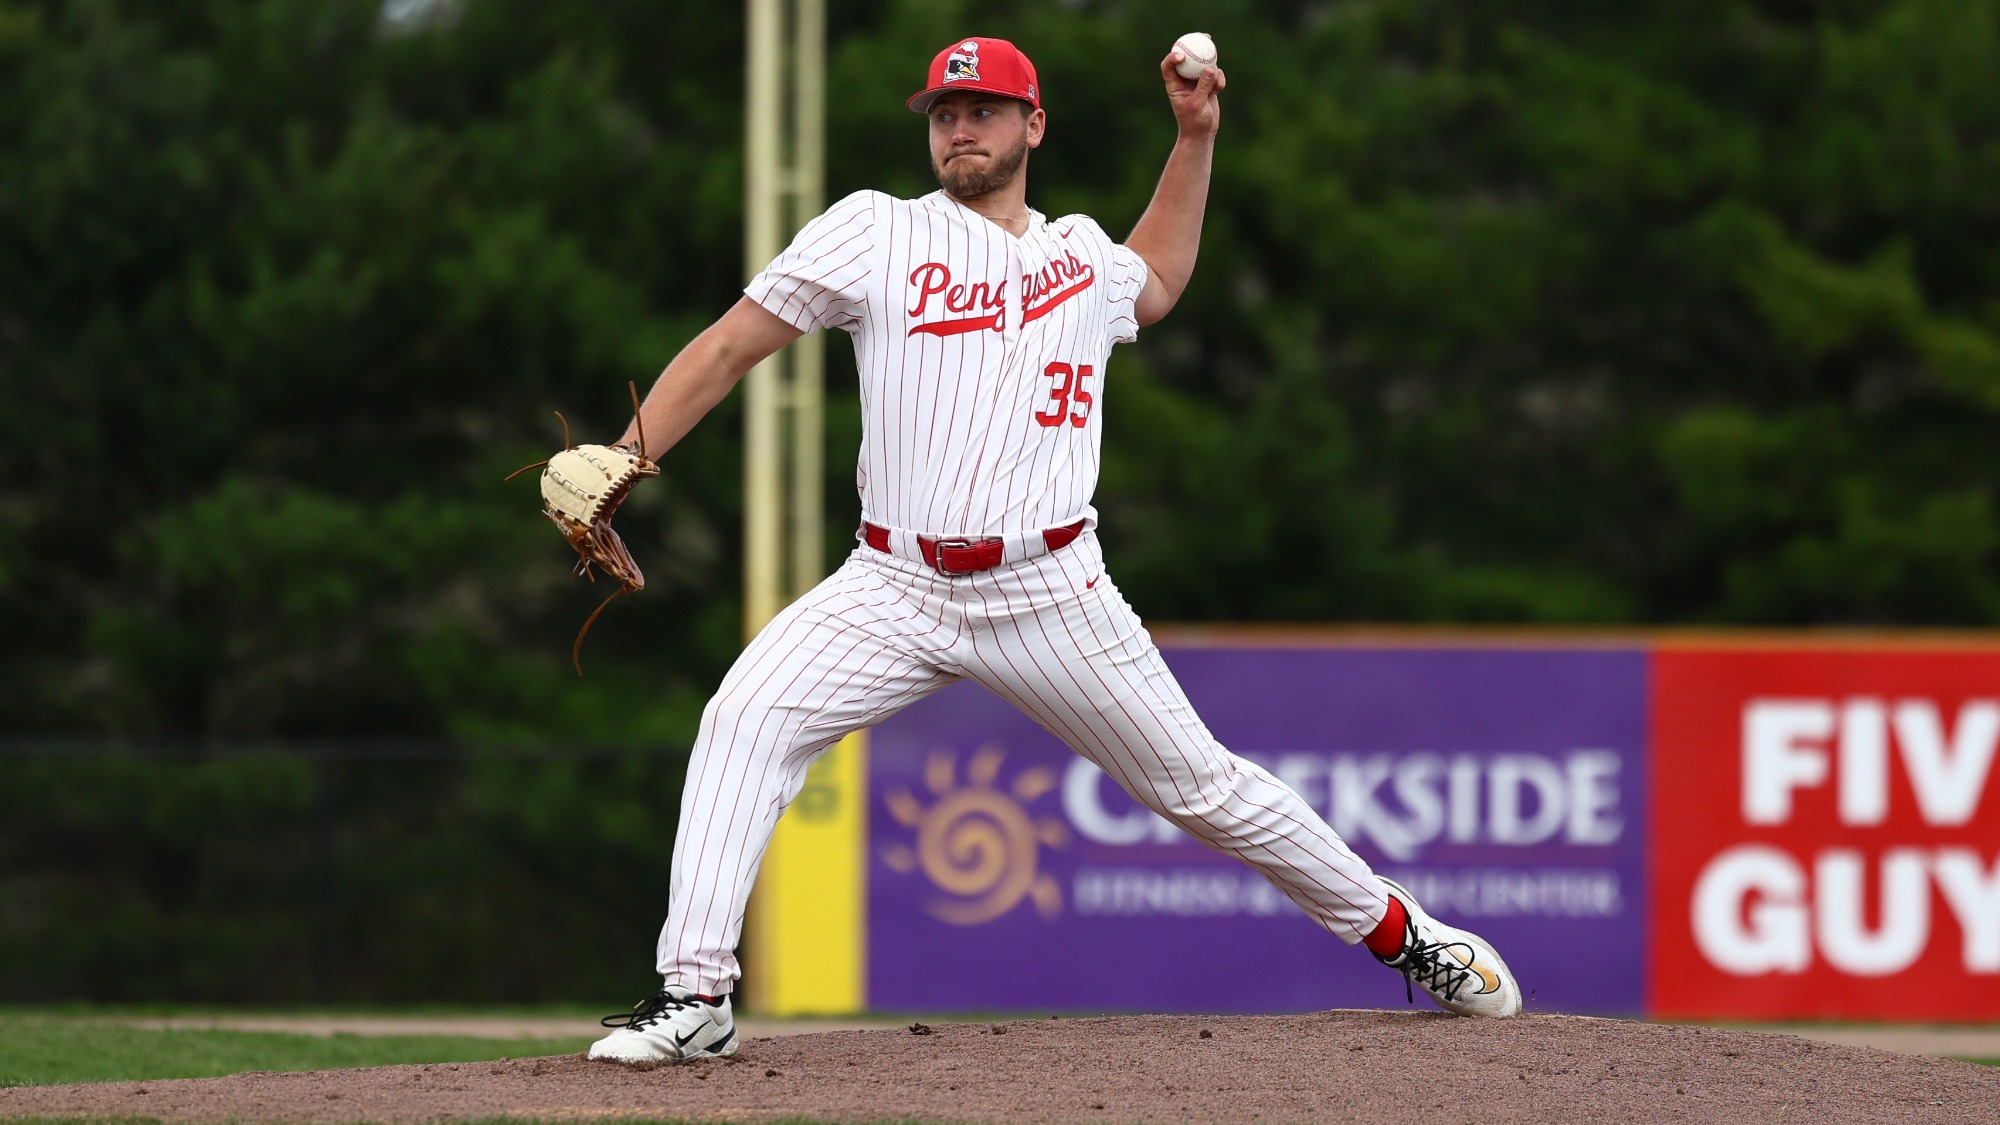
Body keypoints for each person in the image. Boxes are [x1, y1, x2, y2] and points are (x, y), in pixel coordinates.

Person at [584, 35, 1521, 1065]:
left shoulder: (1077, 253)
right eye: (944, 113)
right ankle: (694, 994)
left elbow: (1157, 278)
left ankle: (1407, 937)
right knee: (743, 720)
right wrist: (625, 458)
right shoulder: (873, 231)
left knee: (1201, 789)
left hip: (1049, 586)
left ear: (1031, 125)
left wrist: (1195, 135)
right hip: (890, 581)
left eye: (982, 110)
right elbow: (726, 346)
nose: (959, 128)